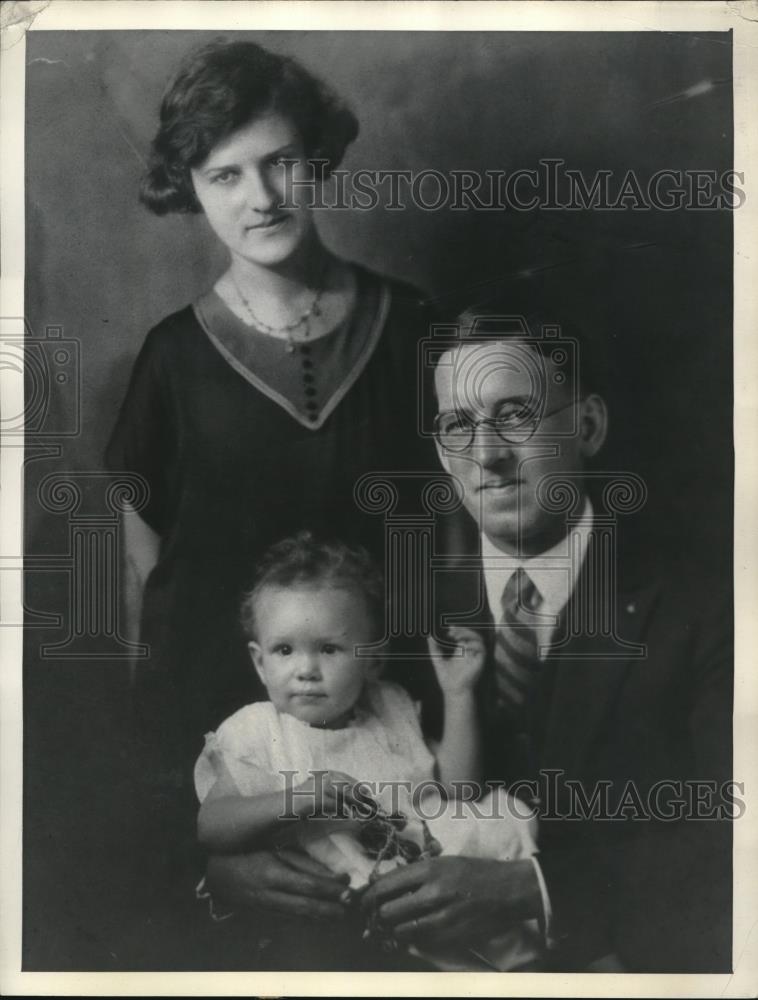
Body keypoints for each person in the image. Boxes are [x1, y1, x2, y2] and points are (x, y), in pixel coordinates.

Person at [104, 39, 438, 954]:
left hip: (397, 734)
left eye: (281, 162)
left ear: (317, 158)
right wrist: (214, 838)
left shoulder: (410, 326)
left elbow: (458, 547)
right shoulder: (174, 356)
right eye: (225, 175)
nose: (261, 198)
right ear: (192, 191)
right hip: (236, 751)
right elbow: (151, 570)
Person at [356, 302, 733, 972]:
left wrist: (532, 889)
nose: (490, 456)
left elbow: (740, 840)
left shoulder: (706, 606)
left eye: (515, 415)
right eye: (459, 426)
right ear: (443, 453)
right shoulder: (393, 614)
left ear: (587, 426)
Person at [193, 531, 542, 971]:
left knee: (498, 825)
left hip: (431, 880)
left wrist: (459, 694)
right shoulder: (258, 731)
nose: (305, 670)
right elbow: (212, 825)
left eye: (329, 649)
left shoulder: (388, 707)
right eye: (284, 650)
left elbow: (460, 790)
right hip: (348, 916)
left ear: (373, 660)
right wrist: (298, 797)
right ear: (260, 662)